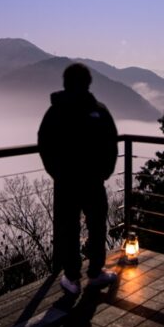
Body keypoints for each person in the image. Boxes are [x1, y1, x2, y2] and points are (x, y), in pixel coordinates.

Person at [38, 62, 119, 295]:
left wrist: (56, 172)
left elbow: (44, 143)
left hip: (66, 183)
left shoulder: (55, 111)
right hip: (93, 182)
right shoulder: (99, 110)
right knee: (96, 227)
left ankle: (72, 277)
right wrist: (104, 172)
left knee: (68, 229)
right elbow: (110, 144)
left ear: (65, 83)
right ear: (88, 82)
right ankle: (95, 272)